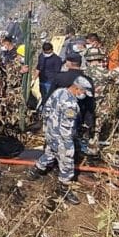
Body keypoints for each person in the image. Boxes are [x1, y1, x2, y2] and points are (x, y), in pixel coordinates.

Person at [27, 76, 95, 205]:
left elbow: (46, 111)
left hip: (50, 132)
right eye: (84, 92)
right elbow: (67, 129)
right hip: (61, 138)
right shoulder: (71, 104)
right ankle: (63, 188)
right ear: (77, 88)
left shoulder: (58, 92)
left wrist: (47, 130)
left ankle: (35, 170)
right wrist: (70, 146)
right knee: (67, 163)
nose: (84, 95)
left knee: (50, 153)